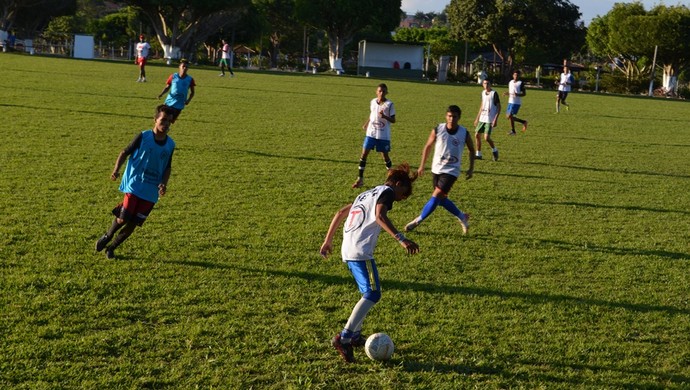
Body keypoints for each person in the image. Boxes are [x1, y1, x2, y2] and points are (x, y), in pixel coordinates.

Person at [320, 163, 419, 363]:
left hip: (347, 249)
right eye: (404, 194)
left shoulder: (365, 194)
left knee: (368, 293)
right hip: (360, 251)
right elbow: (380, 216)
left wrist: (327, 240)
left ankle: (355, 336)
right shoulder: (387, 192)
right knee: (373, 293)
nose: (401, 199)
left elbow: (340, 212)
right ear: (398, 184)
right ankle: (345, 338)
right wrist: (401, 239)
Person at [95, 105, 176, 259]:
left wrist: (164, 183)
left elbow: (167, 167)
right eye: (163, 120)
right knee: (124, 218)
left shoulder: (170, 144)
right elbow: (125, 152)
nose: (166, 125)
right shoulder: (144, 136)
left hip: (151, 191)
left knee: (132, 225)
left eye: (169, 122)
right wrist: (116, 170)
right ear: (155, 120)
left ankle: (111, 248)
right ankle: (108, 235)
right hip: (134, 184)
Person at [404, 105, 474, 234]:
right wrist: (421, 165)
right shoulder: (438, 129)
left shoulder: (464, 133)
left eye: (455, 116)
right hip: (436, 169)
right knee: (441, 200)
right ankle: (462, 217)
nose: (452, 119)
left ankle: (417, 221)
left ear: (459, 117)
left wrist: (471, 168)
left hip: (452, 171)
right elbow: (428, 146)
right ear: (446, 116)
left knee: (436, 195)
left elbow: (471, 150)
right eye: (449, 116)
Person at [352, 83, 396, 189]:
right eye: (380, 91)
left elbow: (393, 120)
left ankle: (392, 179)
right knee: (364, 154)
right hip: (371, 133)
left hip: (383, 135)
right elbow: (372, 114)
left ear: (386, 92)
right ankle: (360, 179)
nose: (381, 93)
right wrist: (367, 124)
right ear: (376, 92)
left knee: (385, 156)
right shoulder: (372, 102)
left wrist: (384, 116)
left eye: (384, 91)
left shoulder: (389, 104)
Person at [473, 79, 500, 161]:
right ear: (482, 84)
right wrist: (477, 118)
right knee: (477, 135)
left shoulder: (494, 94)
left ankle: (495, 150)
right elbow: (482, 105)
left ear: (491, 84)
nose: (486, 85)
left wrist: (495, 119)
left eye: (488, 83)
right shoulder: (483, 93)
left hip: (489, 119)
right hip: (482, 118)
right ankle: (478, 154)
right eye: (485, 83)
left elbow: (499, 107)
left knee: (486, 138)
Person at [504, 70, 528, 135]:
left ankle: (513, 131)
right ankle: (523, 122)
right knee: (508, 117)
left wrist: (517, 94)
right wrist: (507, 93)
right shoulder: (510, 82)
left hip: (516, 102)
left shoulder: (520, 83)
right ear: (513, 75)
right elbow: (511, 92)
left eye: (517, 75)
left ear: (519, 76)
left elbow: (524, 94)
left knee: (510, 115)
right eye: (514, 75)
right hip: (510, 101)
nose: (515, 76)